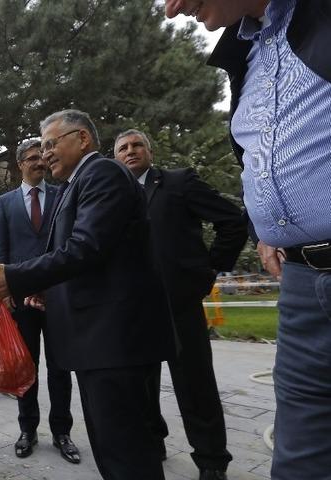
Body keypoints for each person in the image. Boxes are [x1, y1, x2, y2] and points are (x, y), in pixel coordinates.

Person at [165, 2, 331, 478]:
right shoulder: (246, 56)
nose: (172, 8)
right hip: (300, 284)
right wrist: (268, 225)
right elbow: (264, 148)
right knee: (299, 458)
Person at [0, 109, 176, 480]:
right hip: (98, 341)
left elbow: (86, 247)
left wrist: (20, 277)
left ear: (83, 138)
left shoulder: (102, 173)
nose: (46, 154)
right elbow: (91, 259)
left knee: (126, 453)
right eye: (41, 147)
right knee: (110, 447)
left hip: (115, 341)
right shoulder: (78, 182)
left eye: (52, 144)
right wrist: (46, 288)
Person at [115, 129, 247, 480]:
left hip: (179, 304)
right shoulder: (114, 196)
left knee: (194, 384)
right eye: (123, 148)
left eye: (137, 145)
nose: (130, 151)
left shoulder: (178, 183)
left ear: (150, 151)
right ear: (116, 158)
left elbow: (232, 222)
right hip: (135, 309)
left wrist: (208, 270)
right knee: (141, 384)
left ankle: (211, 460)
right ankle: (152, 443)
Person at [0, 139, 80, 464]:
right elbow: (1, 251)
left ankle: (62, 432)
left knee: (60, 368)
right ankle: (27, 429)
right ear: (20, 164)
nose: (39, 163)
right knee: (24, 368)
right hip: (21, 301)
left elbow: (70, 242)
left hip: (57, 297)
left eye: (41, 157)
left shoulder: (62, 195)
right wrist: (6, 293)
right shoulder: (5, 203)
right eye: (31, 158)